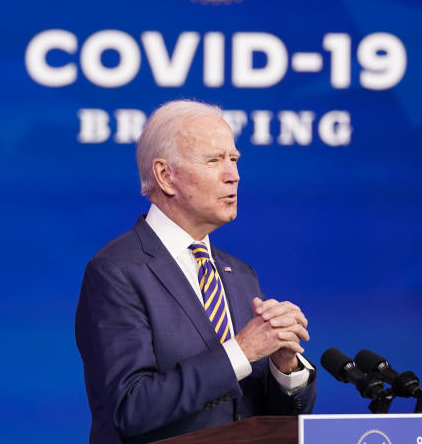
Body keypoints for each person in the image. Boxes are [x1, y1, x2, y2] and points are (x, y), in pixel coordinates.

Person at [75, 100, 316, 444]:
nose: (234, 174)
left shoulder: (240, 274)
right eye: (214, 160)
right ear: (165, 175)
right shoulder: (116, 271)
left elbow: (264, 419)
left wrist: (284, 367)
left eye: (234, 159)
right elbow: (128, 408)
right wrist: (242, 351)